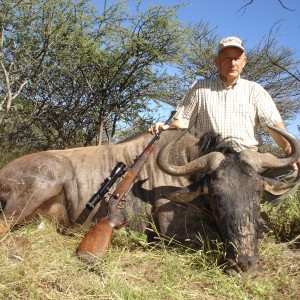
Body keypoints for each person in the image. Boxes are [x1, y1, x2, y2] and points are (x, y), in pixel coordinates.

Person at [148, 36, 300, 208]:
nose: (232, 62)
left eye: (236, 58)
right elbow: (181, 122)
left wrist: (289, 149)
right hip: (213, 162)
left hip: (248, 161)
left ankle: (258, 211)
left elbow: (273, 126)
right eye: (226, 57)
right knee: (173, 172)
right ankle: (224, 208)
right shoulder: (199, 88)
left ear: (244, 61)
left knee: (291, 170)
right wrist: (165, 126)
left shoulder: (255, 90)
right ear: (217, 61)